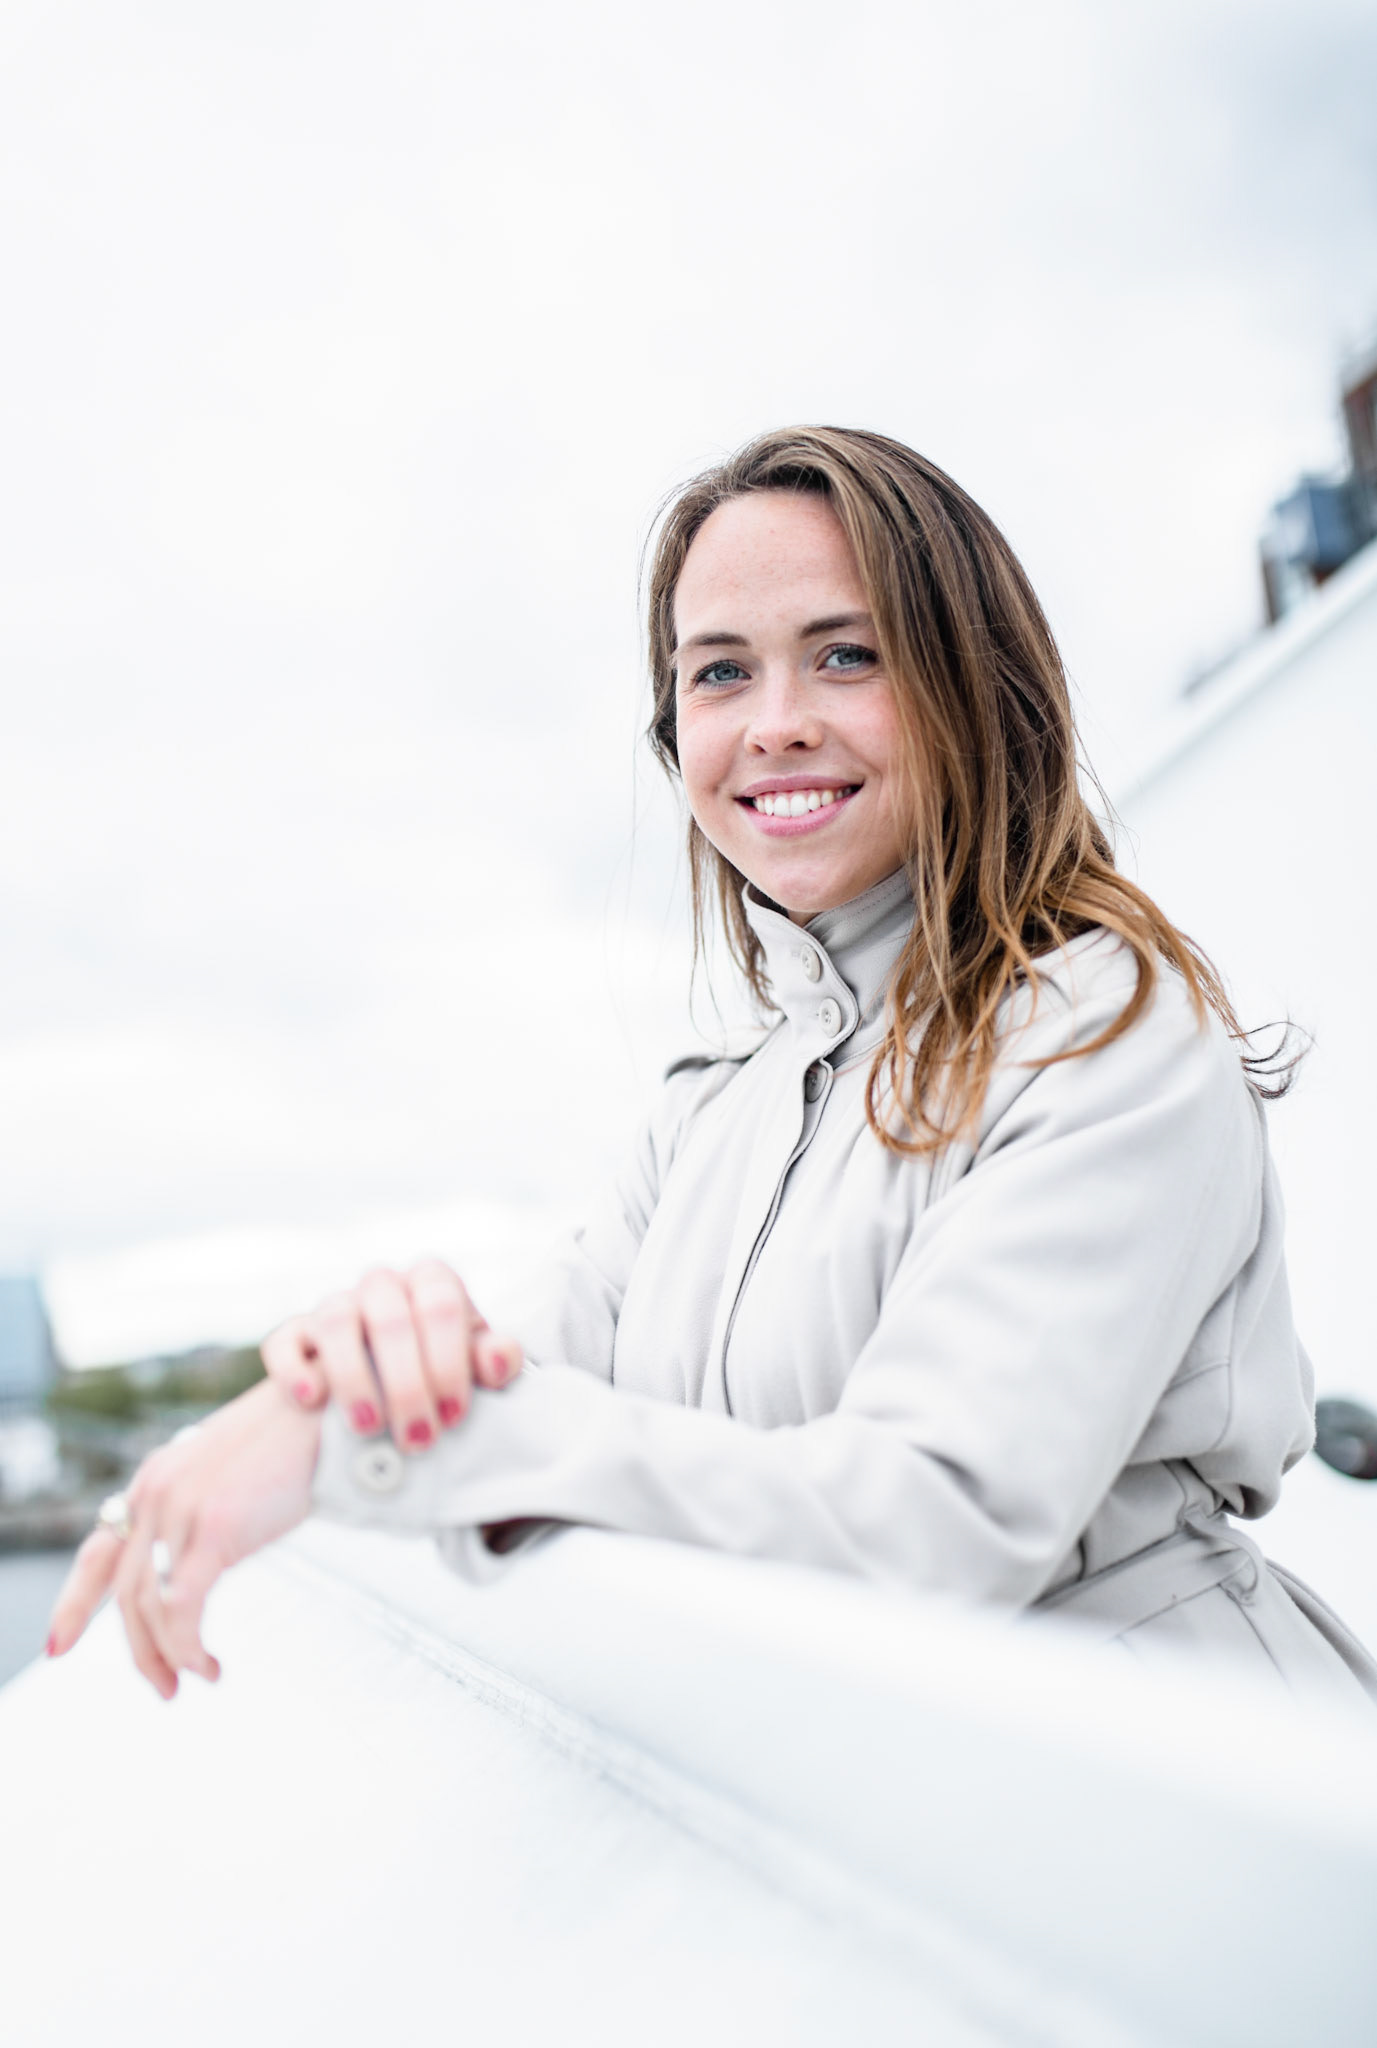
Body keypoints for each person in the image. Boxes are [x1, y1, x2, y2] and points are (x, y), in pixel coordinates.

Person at [47, 426, 1377, 1709]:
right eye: (720, 673)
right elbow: (521, 1376)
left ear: (976, 685)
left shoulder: (1107, 1034)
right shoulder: (705, 1116)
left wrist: (379, 1446)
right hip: (895, 1776)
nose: (775, 723)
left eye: (846, 655)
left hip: (1171, 1780)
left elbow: (937, 1518)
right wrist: (347, 1376)